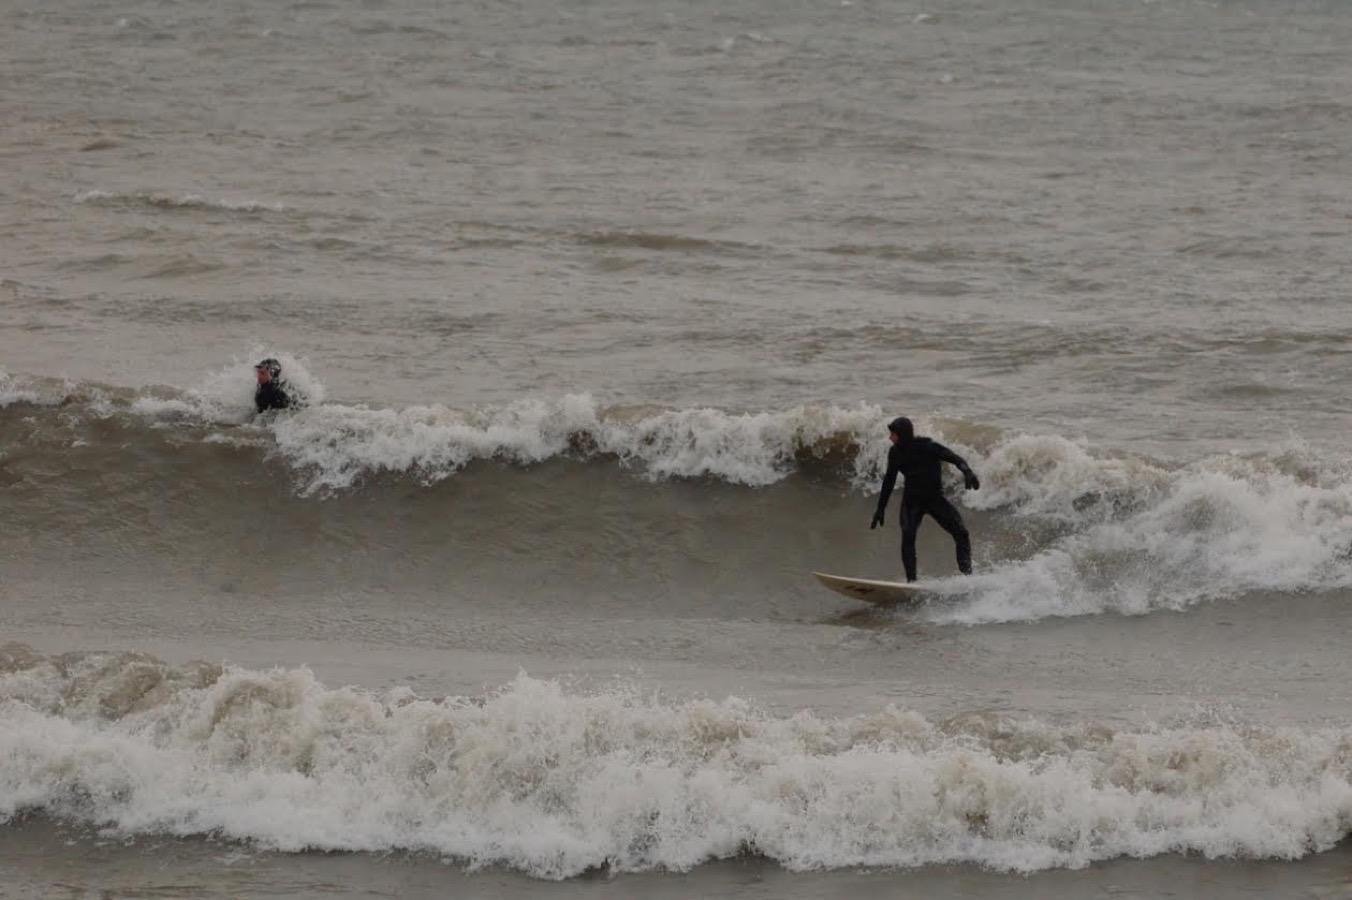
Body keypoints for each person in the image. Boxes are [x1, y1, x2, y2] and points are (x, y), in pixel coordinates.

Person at [870, 416, 980, 582]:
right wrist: (880, 508)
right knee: (908, 539)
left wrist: (967, 472)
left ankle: (968, 577)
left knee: (962, 534)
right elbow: (889, 481)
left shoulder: (928, 447)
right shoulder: (895, 453)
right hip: (911, 502)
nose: (890, 438)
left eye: (893, 434)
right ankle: (911, 582)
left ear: (903, 435)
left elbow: (954, 458)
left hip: (934, 500)